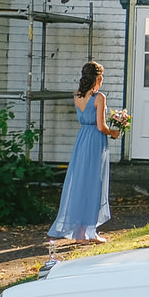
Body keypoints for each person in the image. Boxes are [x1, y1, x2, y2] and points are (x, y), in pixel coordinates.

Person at [47, 60, 122, 245]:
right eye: (101, 76)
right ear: (96, 78)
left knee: (81, 183)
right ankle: (91, 231)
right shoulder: (99, 97)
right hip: (95, 142)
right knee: (94, 183)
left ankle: (81, 232)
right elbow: (101, 126)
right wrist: (114, 132)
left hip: (82, 142)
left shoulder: (78, 95)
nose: (102, 80)